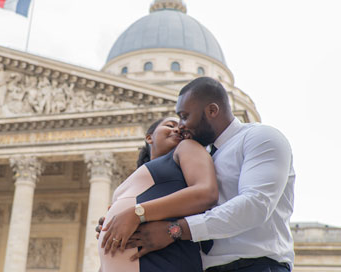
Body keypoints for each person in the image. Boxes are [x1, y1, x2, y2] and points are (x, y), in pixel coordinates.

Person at [105, 77, 295, 272]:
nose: (181, 126)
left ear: (212, 111)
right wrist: (118, 221)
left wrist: (174, 230)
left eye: (185, 116)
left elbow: (255, 205)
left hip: (256, 265)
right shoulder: (203, 158)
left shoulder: (261, 138)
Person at [97, 116, 218, 271]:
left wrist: (137, 213)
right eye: (170, 125)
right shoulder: (133, 177)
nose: (177, 129)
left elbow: (205, 193)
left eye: (181, 127)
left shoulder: (186, 148)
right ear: (149, 137)